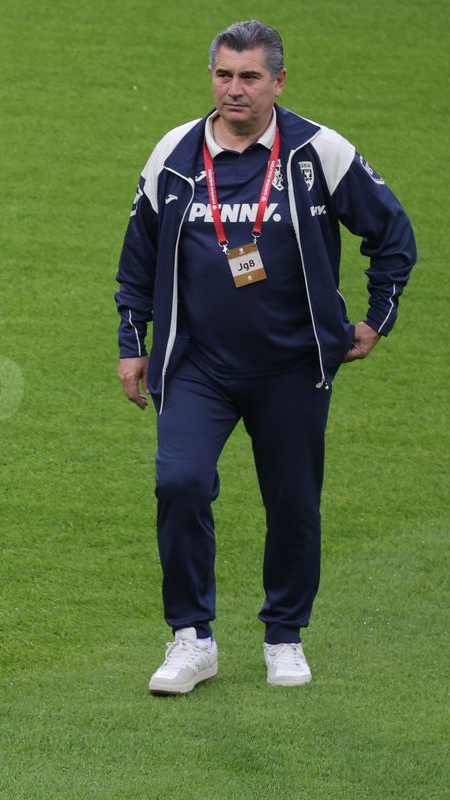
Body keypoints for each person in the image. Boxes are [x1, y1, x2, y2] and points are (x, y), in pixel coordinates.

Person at [115, 20, 416, 695]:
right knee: (180, 483)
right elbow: (138, 256)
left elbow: (392, 233)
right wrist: (133, 345)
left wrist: (377, 318)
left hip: (292, 367)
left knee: (293, 503)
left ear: (278, 81)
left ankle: (285, 635)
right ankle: (192, 639)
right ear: (211, 76)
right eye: (224, 74)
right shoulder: (175, 153)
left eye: (250, 76)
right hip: (196, 366)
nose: (235, 89)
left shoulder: (317, 152)